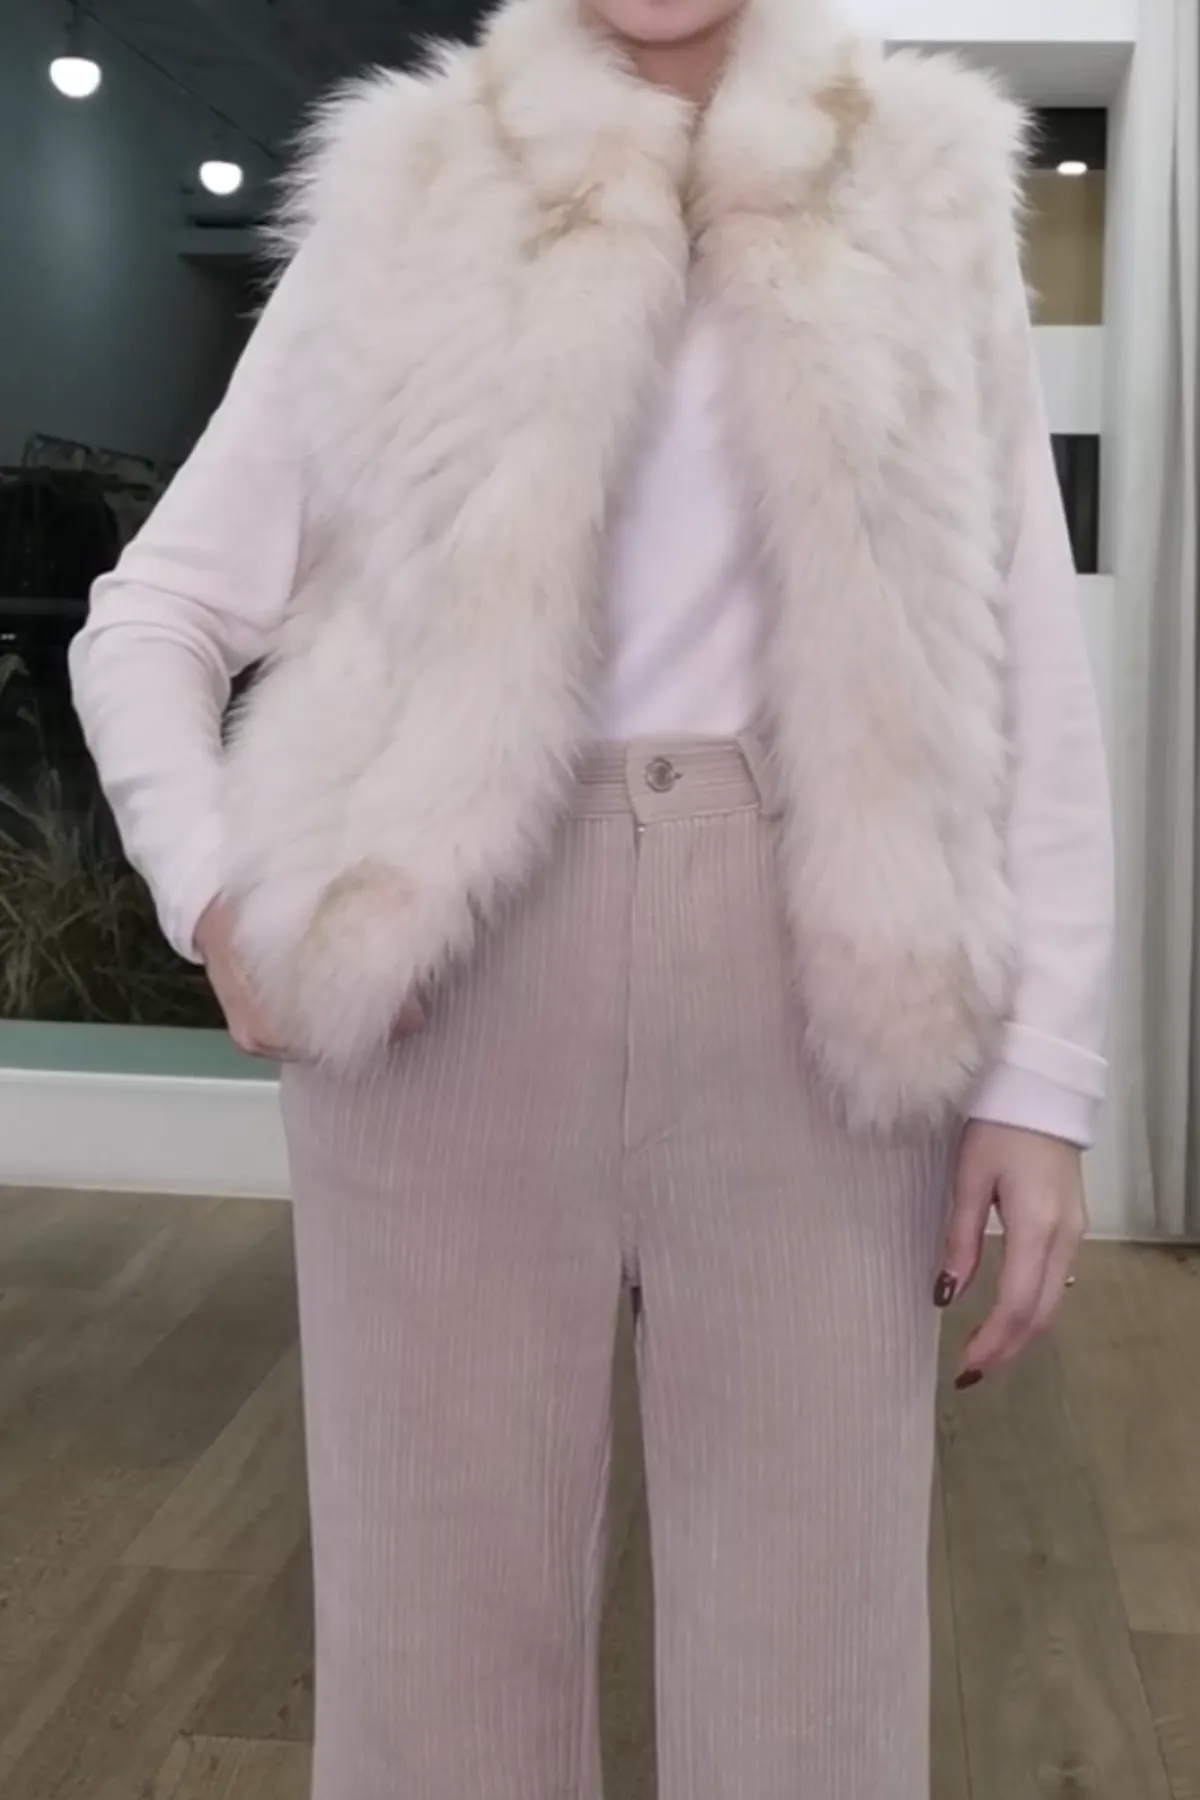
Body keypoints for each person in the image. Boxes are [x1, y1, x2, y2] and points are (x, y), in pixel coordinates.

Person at [70, 0, 1114, 1793]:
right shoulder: (411, 187)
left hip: (823, 988)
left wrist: (1043, 1076)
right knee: (433, 1666)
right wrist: (218, 892)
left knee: (816, 1677)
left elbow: (1025, 660)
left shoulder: (926, 188)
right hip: (447, 982)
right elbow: (150, 614)